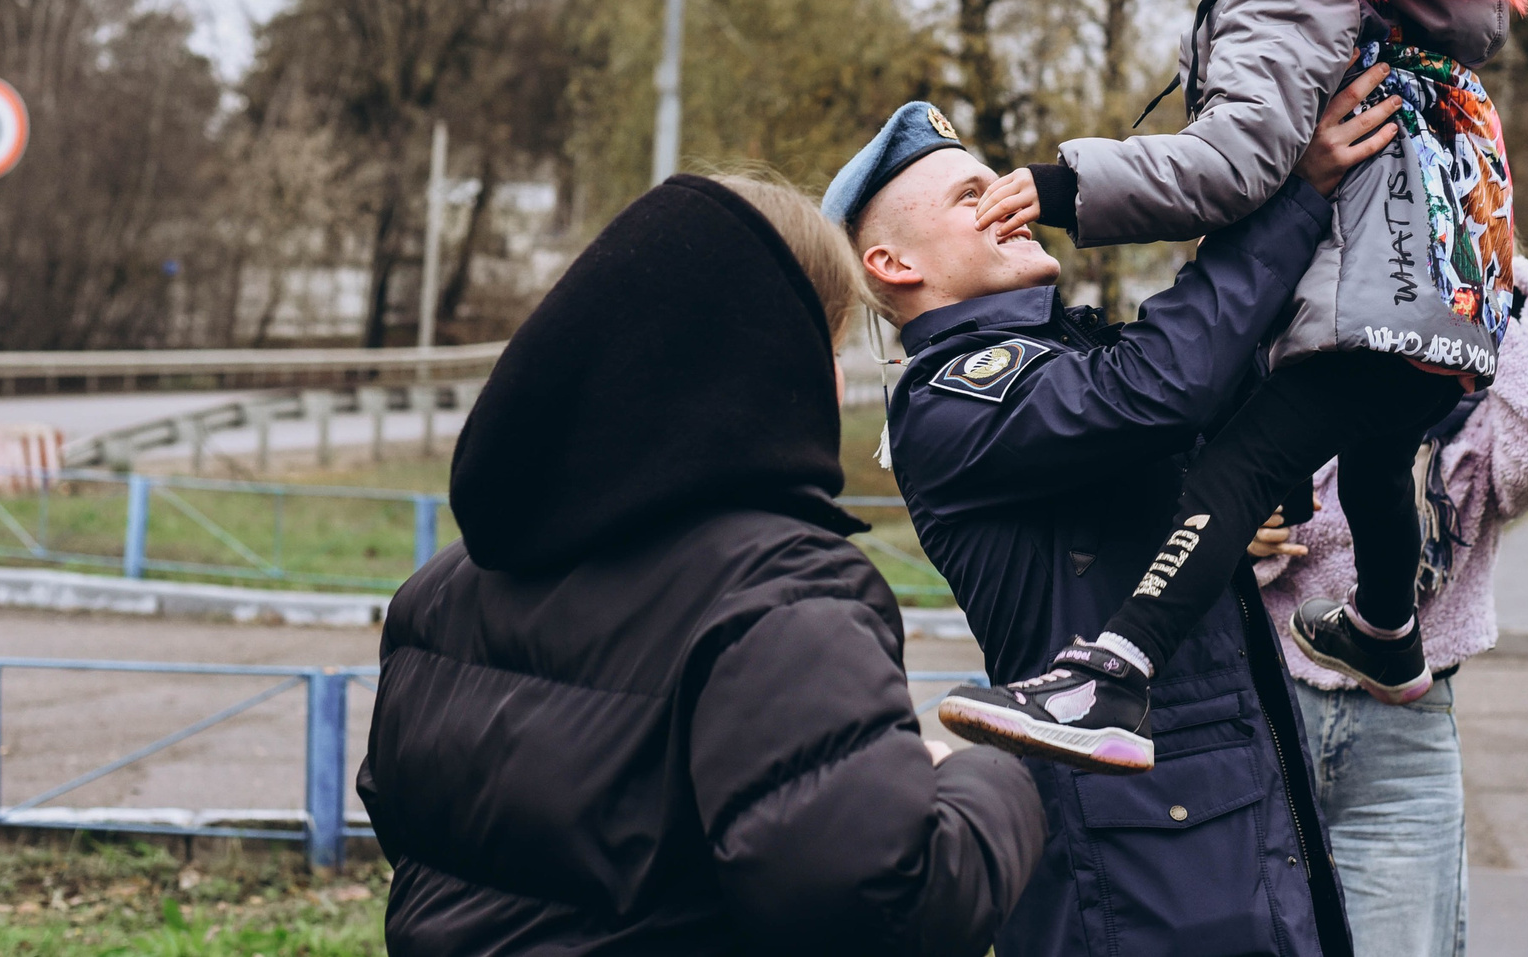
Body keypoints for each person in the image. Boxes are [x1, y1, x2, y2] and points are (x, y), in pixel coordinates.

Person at [946, 0, 1528, 771]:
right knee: (1375, 457)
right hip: (1454, 316)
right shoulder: (1392, 1)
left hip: (1372, 312)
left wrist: (1066, 181)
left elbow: (1231, 162)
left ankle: (1115, 676)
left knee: (1238, 466)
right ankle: (1387, 631)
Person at [358, 173, 1044, 957]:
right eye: (828, 344)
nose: (838, 378)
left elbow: (427, 836)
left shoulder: (439, 594)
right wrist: (984, 781)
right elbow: (883, 912)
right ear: (767, 352)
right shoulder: (782, 597)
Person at [824, 79, 1401, 957]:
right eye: (970, 195)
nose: (1011, 198)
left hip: (1218, 824)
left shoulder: (1065, 350)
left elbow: (1218, 386)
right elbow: (1167, 384)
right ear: (896, 266)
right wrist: (1293, 194)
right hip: (1140, 877)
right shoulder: (952, 396)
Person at [1258, 258, 1528, 957]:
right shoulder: (1276, 347)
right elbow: (1164, 484)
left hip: (1401, 749)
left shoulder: (1474, 408)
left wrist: (1496, 262)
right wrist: (1226, 524)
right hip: (1260, 719)